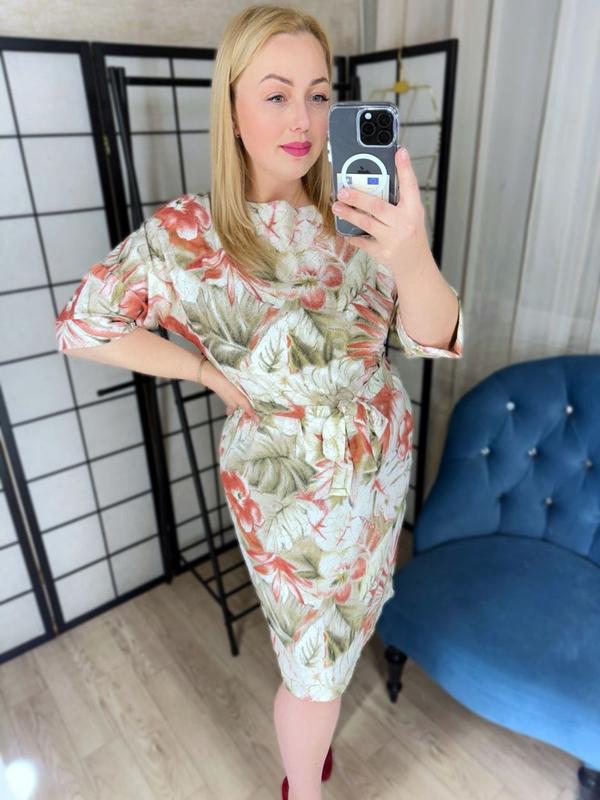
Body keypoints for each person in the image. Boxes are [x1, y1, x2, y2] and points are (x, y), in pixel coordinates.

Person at [55, 5, 463, 799]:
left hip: (379, 466)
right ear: (232, 107)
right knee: (312, 668)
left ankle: (311, 745)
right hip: (289, 488)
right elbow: (82, 327)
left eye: (318, 94)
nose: (302, 120)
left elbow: (437, 338)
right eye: (276, 95)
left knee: (346, 635)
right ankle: (301, 786)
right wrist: (202, 372)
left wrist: (411, 253)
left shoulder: (360, 213)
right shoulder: (190, 233)